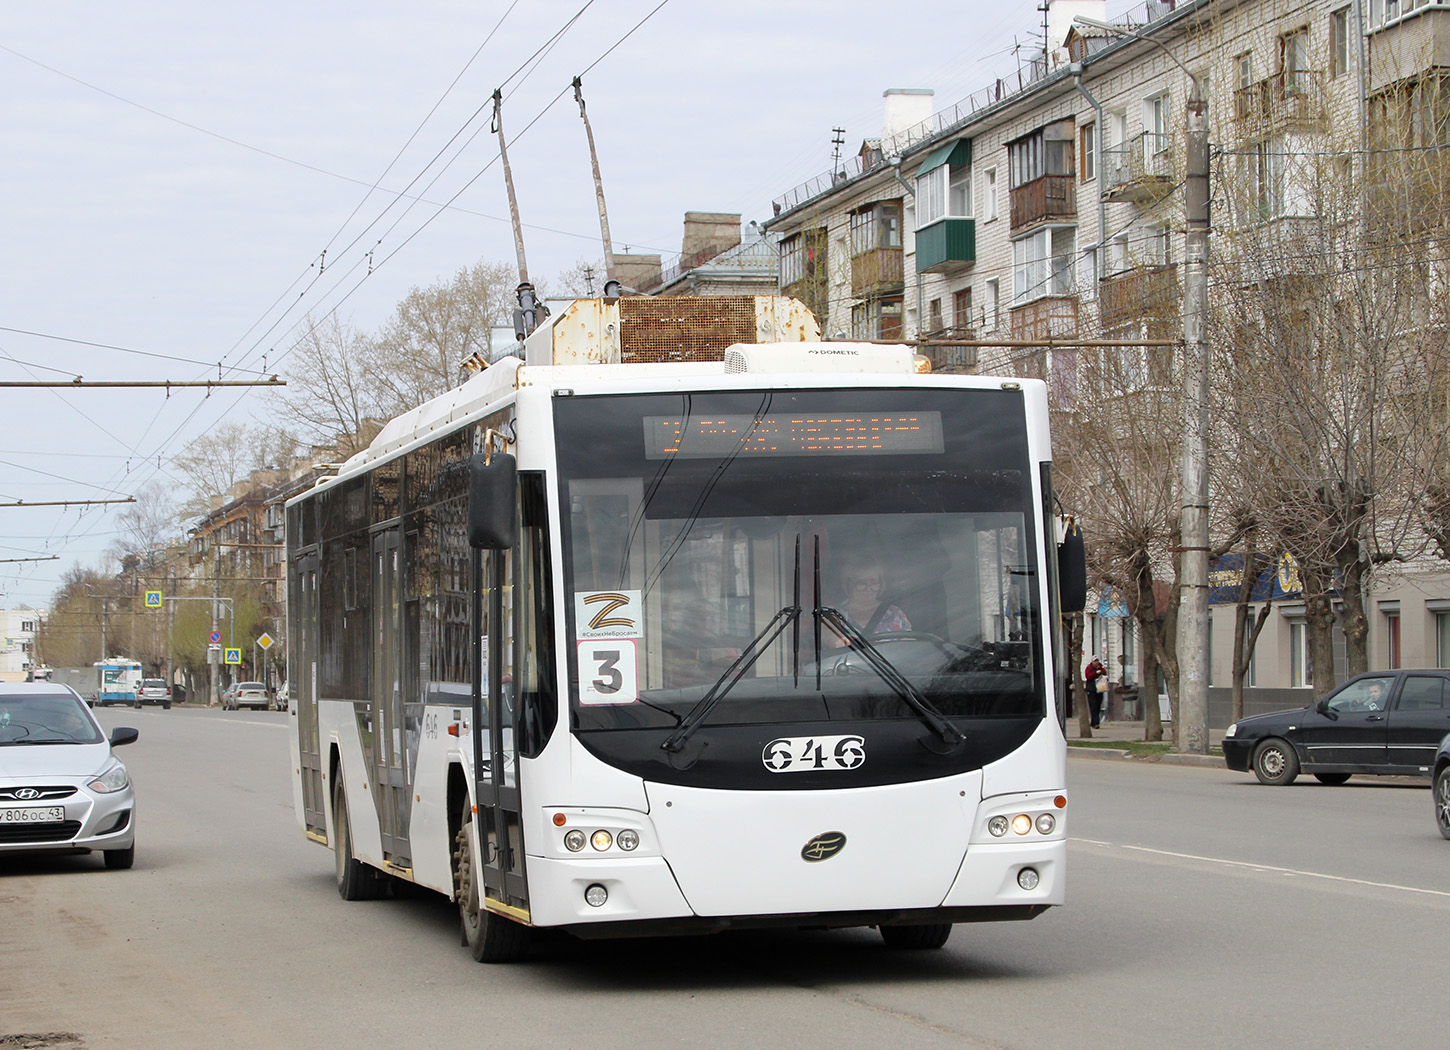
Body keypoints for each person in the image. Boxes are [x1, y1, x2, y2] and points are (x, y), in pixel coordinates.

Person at [832, 554, 911, 645]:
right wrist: (836, 641)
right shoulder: (835, 615)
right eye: (862, 583)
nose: (868, 588)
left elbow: (909, 646)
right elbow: (827, 636)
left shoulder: (895, 614)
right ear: (848, 583)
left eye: (874, 583)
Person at [1085, 657, 1107, 728]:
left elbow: (1105, 675)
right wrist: (1095, 673)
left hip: (1100, 689)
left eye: (1097, 661)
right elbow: (1088, 677)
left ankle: (1093, 722)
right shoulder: (1089, 668)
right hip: (1091, 690)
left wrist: (1102, 674)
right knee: (1093, 706)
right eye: (1094, 661)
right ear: (1092, 662)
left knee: (1098, 706)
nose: (1096, 662)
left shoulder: (1102, 669)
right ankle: (1096, 722)